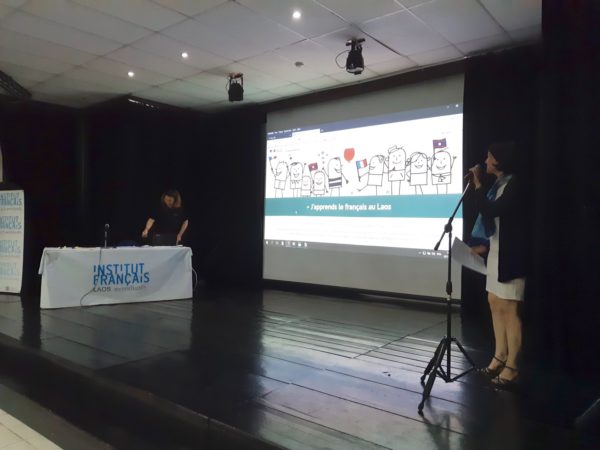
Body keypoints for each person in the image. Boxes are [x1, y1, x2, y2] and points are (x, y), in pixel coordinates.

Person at [468, 142, 527, 389]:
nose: (486, 161)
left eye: (489, 157)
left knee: (509, 308)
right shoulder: (498, 185)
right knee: (494, 301)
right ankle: (499, 356)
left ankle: (513, 366)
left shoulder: (515, 184)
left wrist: (478, 185)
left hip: (512, 255)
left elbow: (492, 210)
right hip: (496, 251)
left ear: (500, 160)